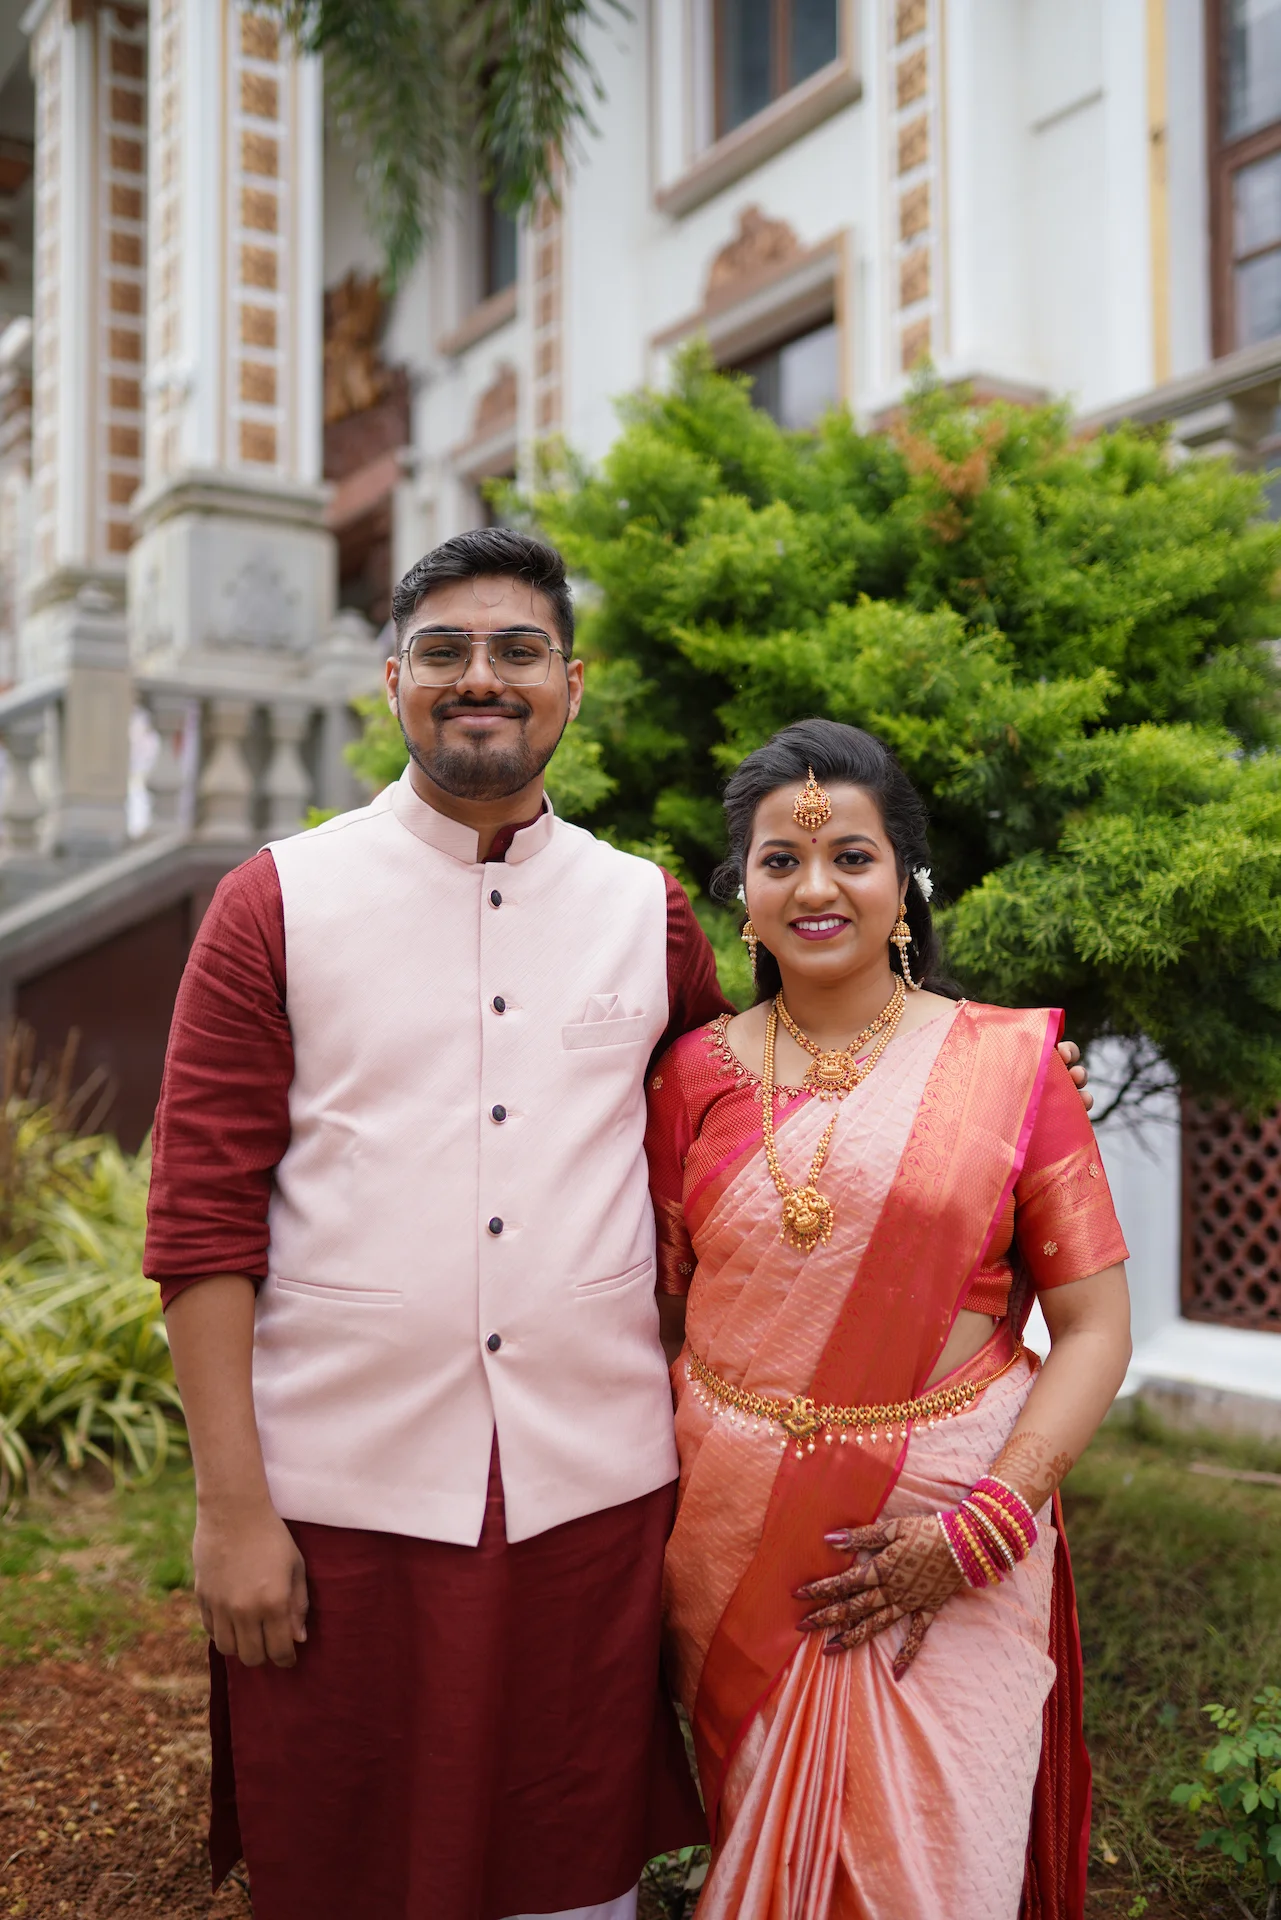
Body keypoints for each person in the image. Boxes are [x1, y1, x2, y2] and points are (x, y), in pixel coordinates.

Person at [144, 529, 721, 1920]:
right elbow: (204, 1217)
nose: (483, 677)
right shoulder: (276, 901)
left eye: (519, 650)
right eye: (445, 650)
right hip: (343, 1499)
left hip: (593, 1492)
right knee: (348, 1863)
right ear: (392, 679)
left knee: (570, 1867)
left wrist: (993, 1079)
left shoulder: (647, 913)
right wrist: (232, 1511)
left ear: (571, 683)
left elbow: (746, 1136)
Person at [645, 718, 1131, 1920]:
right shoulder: (690, 1075)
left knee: (933, 1873)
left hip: (961, 1530)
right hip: (736, 1539)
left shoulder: (1010, 1067)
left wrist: (983, 1529)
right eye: (781, 861)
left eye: (852, 857)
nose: (816, 887)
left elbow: (1095, 1326)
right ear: (742, 895)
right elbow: (662, 1313)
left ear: (905, 882)